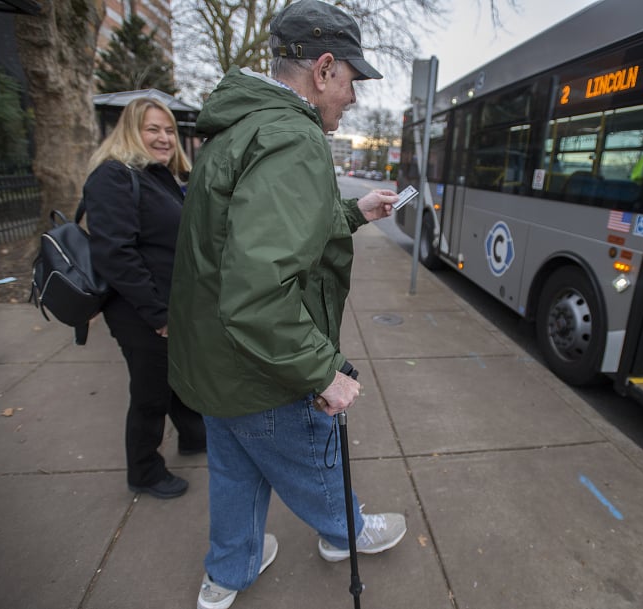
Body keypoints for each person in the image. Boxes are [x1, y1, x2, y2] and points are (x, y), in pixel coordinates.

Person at [167, 1, 406, 607]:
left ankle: (227, 575)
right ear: (324, 68)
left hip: (217, 365)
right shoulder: (293, 138)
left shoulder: (240, 126)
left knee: (235, 477)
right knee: (316, 461)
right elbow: (257, 292)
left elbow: (243, 241)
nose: (351, 97)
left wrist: (354, 211)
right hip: (265, 367)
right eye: (352, 79)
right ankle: (343, 534)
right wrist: (319, 371)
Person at [83, 97, 206, 500]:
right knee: (151, 392)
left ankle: (192, 435)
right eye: (152, 129)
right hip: (139, 309)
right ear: (131, 131)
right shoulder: (113, 177)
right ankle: (145, 471)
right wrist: (157, 314)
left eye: (169, 130)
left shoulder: (157, 176)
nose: (164, 138)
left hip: (168, 302)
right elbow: (115, 253)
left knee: (176, 376)